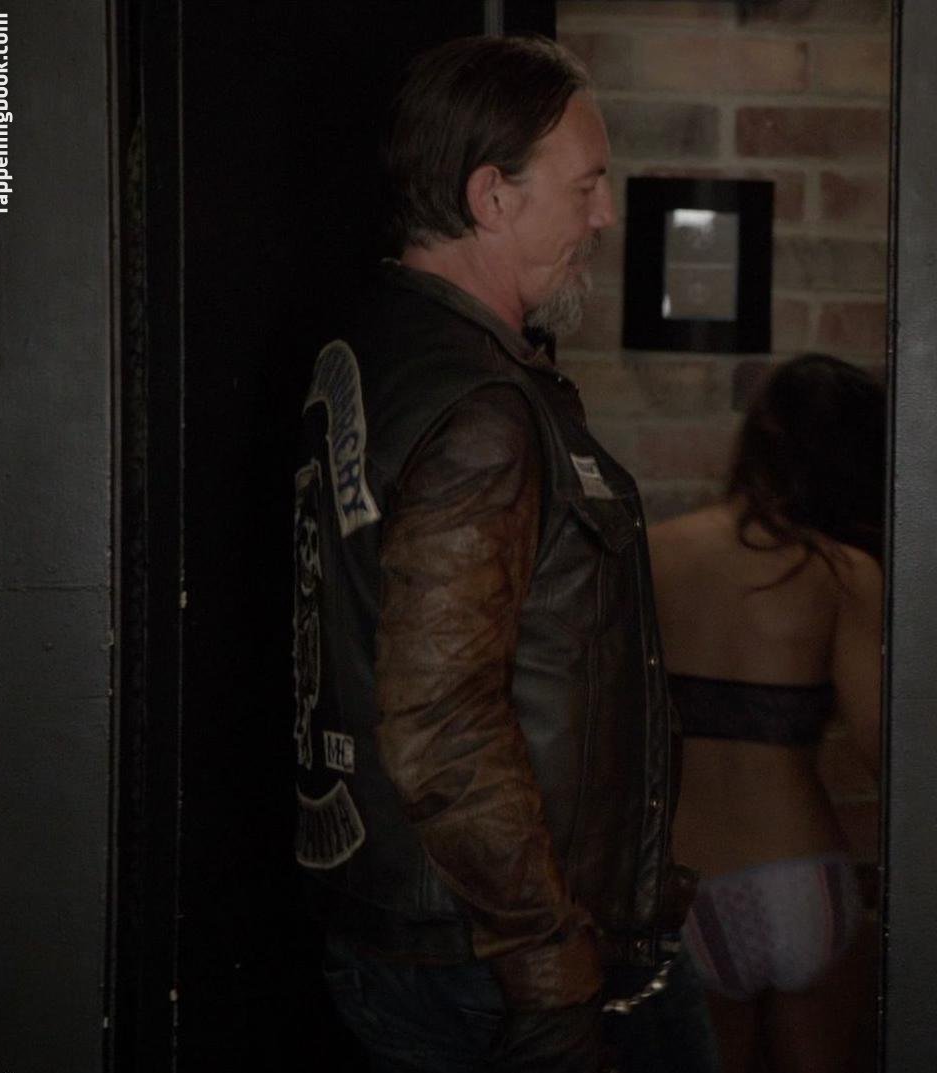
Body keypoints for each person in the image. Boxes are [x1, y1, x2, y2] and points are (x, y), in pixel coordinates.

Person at [290, 35, 699, 1072]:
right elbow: (444, 716)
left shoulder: (383, 348)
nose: (604, 216)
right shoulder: (476, 403)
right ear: (492, 197)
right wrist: (549, 964)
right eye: (586, 186)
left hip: (432, 937)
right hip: (488, 959)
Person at [647, 354, 886, 1073]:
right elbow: (881, 749)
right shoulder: (844, 572)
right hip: (798, 874)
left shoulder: (654, 552)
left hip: (684, 882)